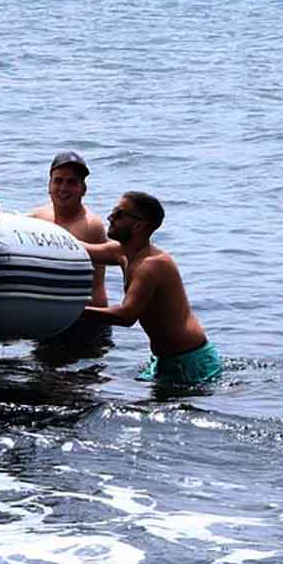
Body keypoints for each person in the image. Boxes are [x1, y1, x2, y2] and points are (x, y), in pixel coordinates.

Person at [76, 191, 220, 389]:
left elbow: (126, 316)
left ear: (139, 224)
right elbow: (79, 248)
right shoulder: (122, 253)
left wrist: (73, 310)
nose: (110, 218)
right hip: (164, 360)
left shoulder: (151, 265)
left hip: (189, 362)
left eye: (119, 214)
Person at [29, 149, 110, 306]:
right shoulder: (37, 217)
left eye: (71, 182)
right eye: (58, 181)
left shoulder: (90, 226)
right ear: (49, 185)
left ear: (83, 189)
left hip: (89, 317)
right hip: (53, 313)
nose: (63, 188)